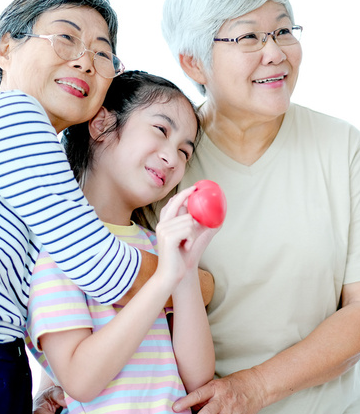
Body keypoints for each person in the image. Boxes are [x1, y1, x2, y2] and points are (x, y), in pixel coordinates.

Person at [160, 0, 360, 413]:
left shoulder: (341, 147)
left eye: (284, 31)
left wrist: (254, 387)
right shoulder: (164, 162)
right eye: (249, 37)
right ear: (193, 62)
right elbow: (107, 287)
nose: (276, 52)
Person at [0, 0, 175, 413]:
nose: (85, 61)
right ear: (6, 48)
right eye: (65, 37)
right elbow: (102, 268)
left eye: (103, 53)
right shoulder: (12, 115)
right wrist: (193, 282)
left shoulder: (10, 140)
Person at [26, 71, 217, 413]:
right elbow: (81, 380)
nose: (173, 159)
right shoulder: (58, 242)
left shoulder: (158, 245)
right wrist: (163, 279)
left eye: (185, 153)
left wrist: (185, 271)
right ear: (101, 124)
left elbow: (197, 381)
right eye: (161, 130)